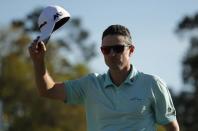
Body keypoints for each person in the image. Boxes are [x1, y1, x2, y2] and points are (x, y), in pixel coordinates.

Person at [29, 24, 180, 131]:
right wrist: (38, 62)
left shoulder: (153, 84)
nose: (112, 54)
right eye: (106, 50)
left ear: (131, 50)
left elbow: (172, 127)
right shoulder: (90, 84)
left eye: (118, 48)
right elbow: (48, 90)